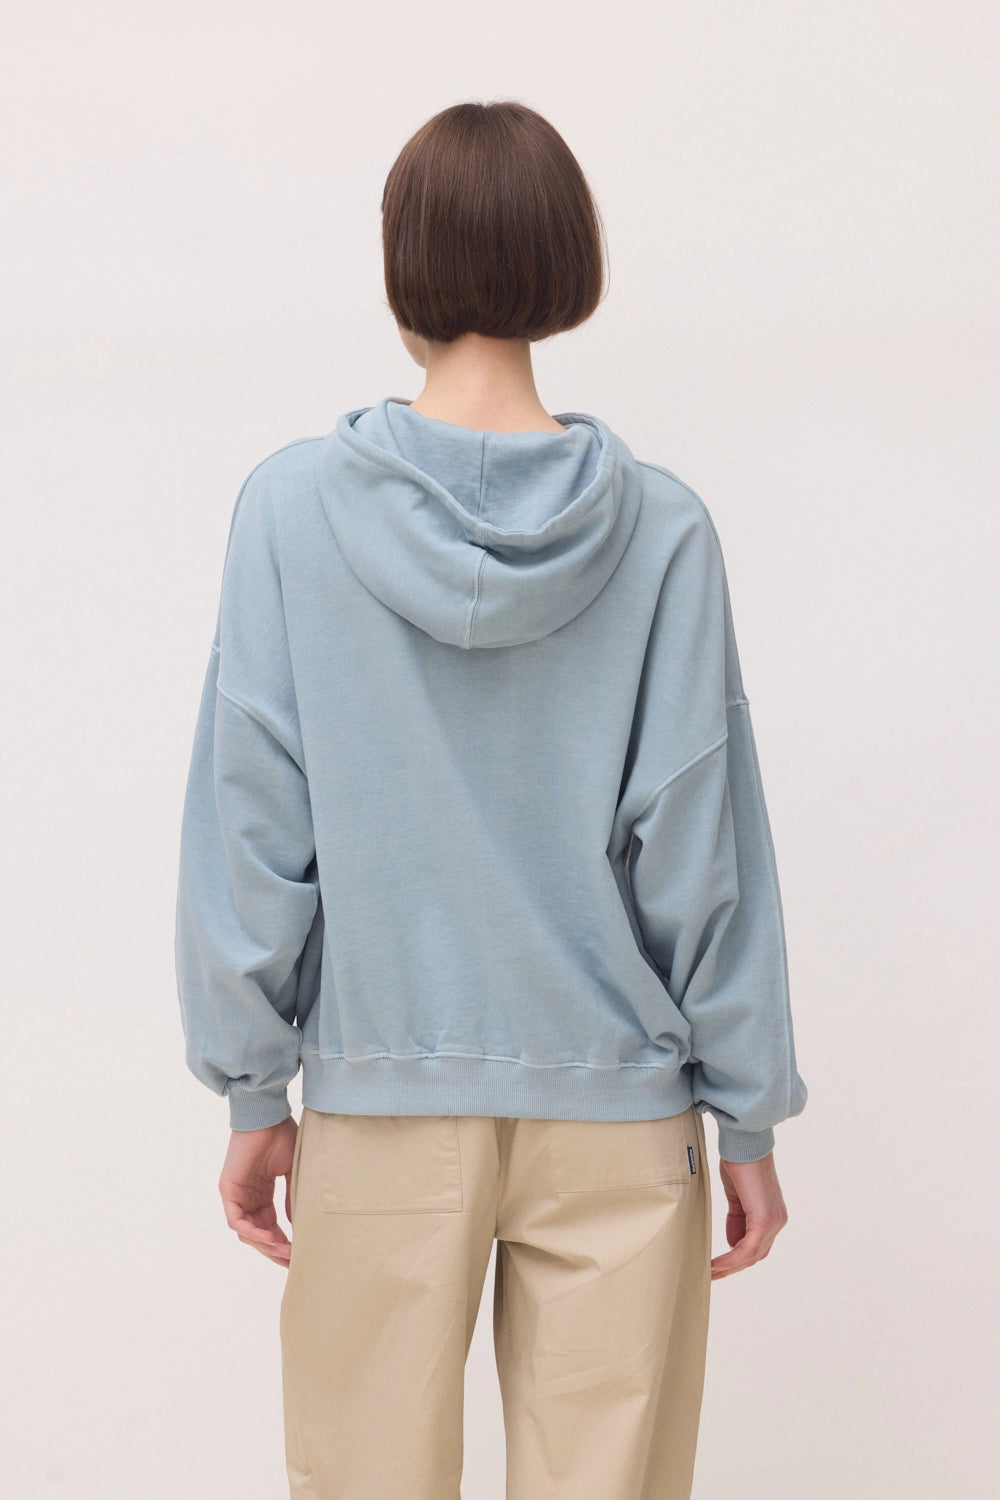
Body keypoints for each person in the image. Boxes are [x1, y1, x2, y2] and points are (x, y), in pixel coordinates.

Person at [174, 99, 808, 1500]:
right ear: (570, 262)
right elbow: (701, 848)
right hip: (622, 1117)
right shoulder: (663, 530)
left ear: (401, 264)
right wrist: (749, 1114)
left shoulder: (289, 512)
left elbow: (253, 824)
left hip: (383, 1105)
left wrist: (254, 1085)